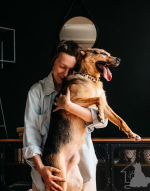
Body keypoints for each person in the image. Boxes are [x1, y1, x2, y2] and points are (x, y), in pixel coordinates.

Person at [23, 40, 108, 191]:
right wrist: (42, 169)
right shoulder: (37, 92)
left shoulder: (85, 87)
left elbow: (101, 121)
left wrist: (69, 106)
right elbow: (31, 136)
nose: (66, 74)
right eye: (62, 67)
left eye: (71, 69)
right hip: (47, 175)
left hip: (83, 171)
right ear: (53, 61)